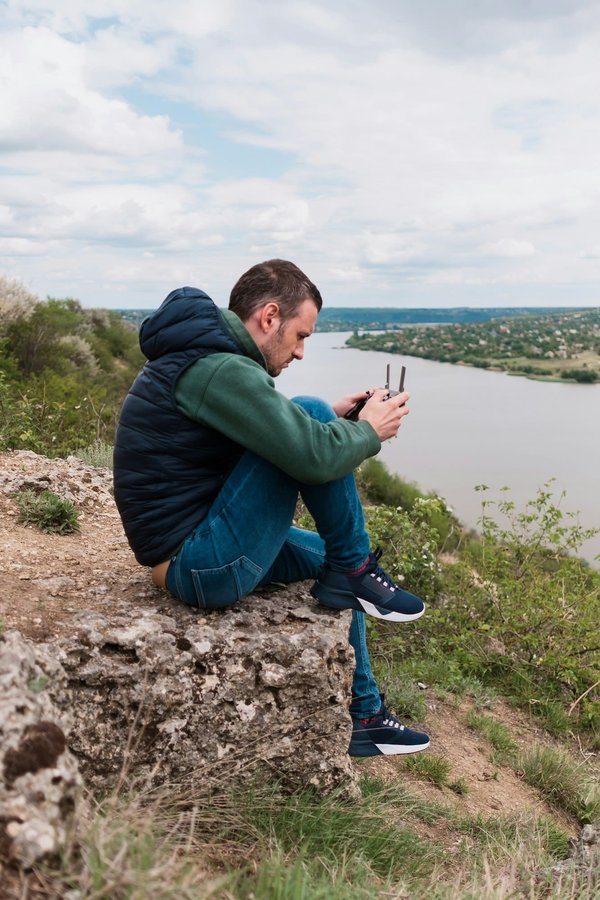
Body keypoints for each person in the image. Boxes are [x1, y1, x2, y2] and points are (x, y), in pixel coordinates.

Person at [113, 259, 430, 758]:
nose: (301, 351)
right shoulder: (218, 369)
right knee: (310, 413)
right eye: (300, 335)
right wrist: (367, 431)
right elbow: (310, 456)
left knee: (326, 545)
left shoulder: (206, 359)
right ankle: (355, 568)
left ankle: (364, 715)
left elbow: (254, 439)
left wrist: (335, 419)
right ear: (269, 316)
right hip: (199, 563)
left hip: (199, 543)